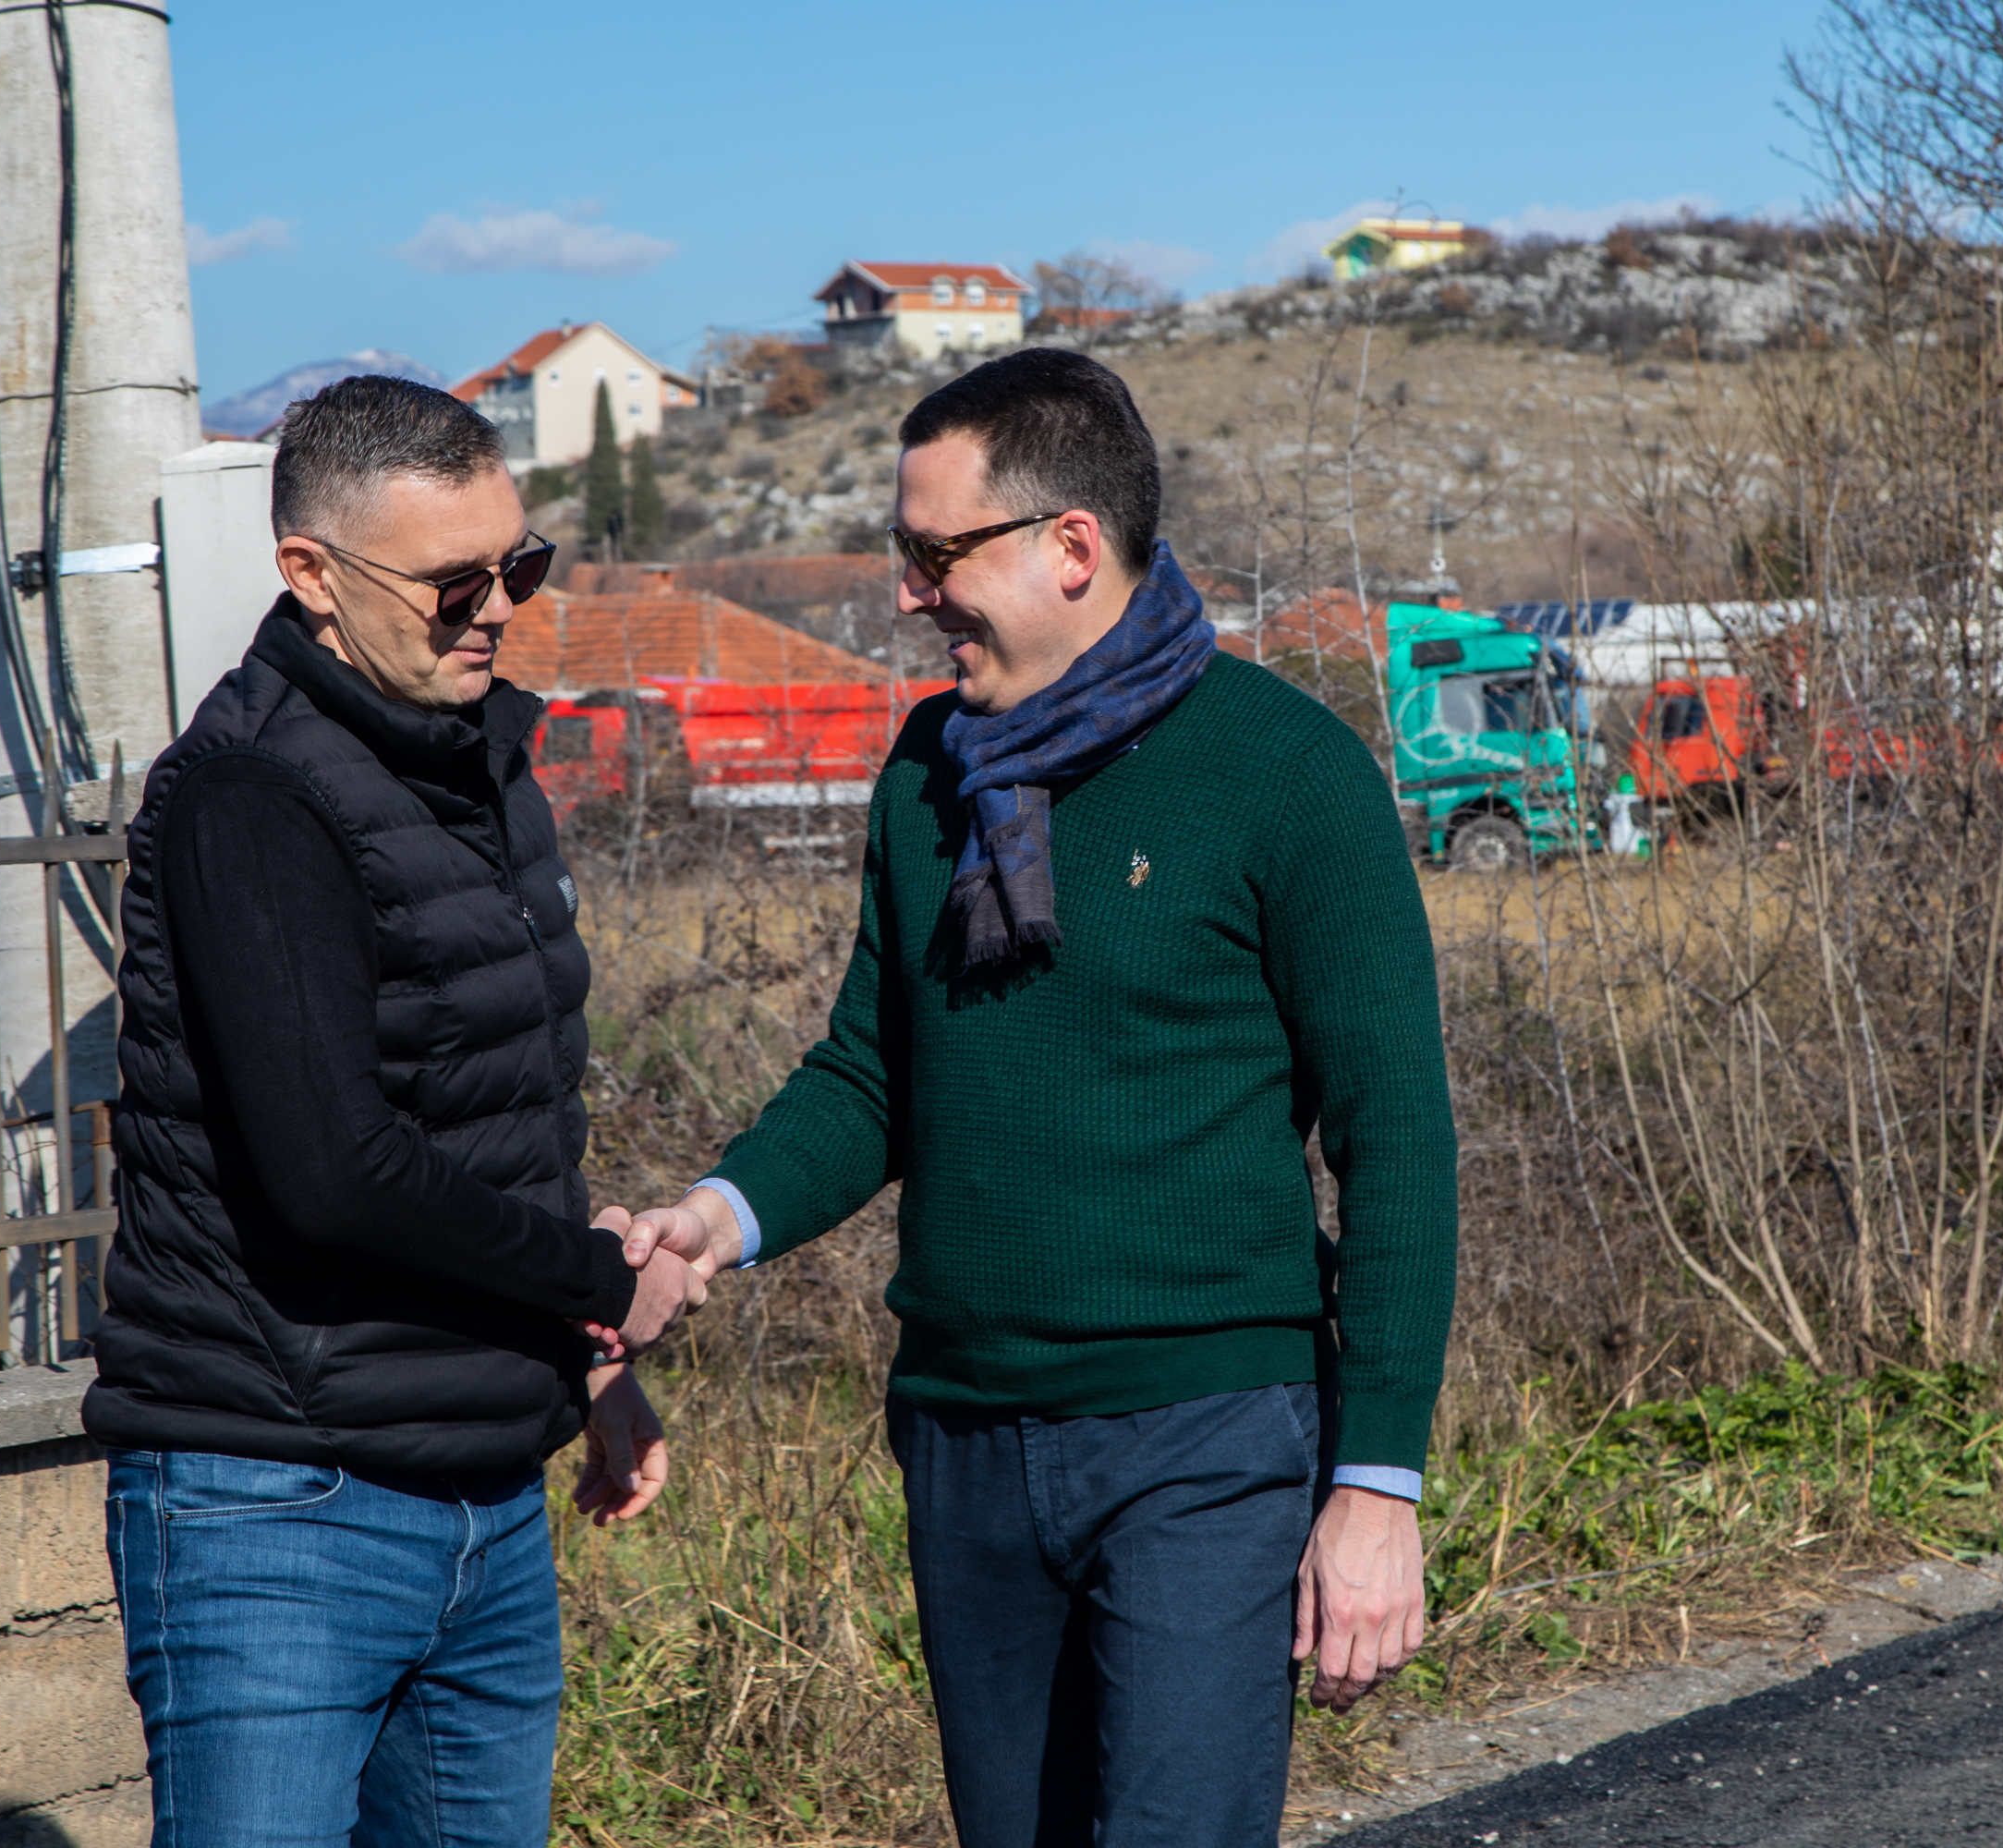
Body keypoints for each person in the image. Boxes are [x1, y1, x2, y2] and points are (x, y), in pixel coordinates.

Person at [615, 348, 1458, 1847]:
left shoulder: (1286, 774)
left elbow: (1395, 1142)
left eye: (935, 557)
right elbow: (876, 1070)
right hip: (964, 1442)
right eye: (905, 555)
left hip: (1203, 1439)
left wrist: (1377, 1483)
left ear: (1071, 548)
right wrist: (715, 1218)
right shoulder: (933, 772)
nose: (907, 595)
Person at [82, 374, 704, 1847]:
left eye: (518, 568)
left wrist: (585, 1356)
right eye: (450, 584)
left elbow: (495, 1118)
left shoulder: (476, 763)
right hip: (278, 1502)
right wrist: (604, 1279)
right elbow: (336, 1171)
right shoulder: (255, 795)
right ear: (310, 573)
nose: (494, 610)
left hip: (487, 1495)